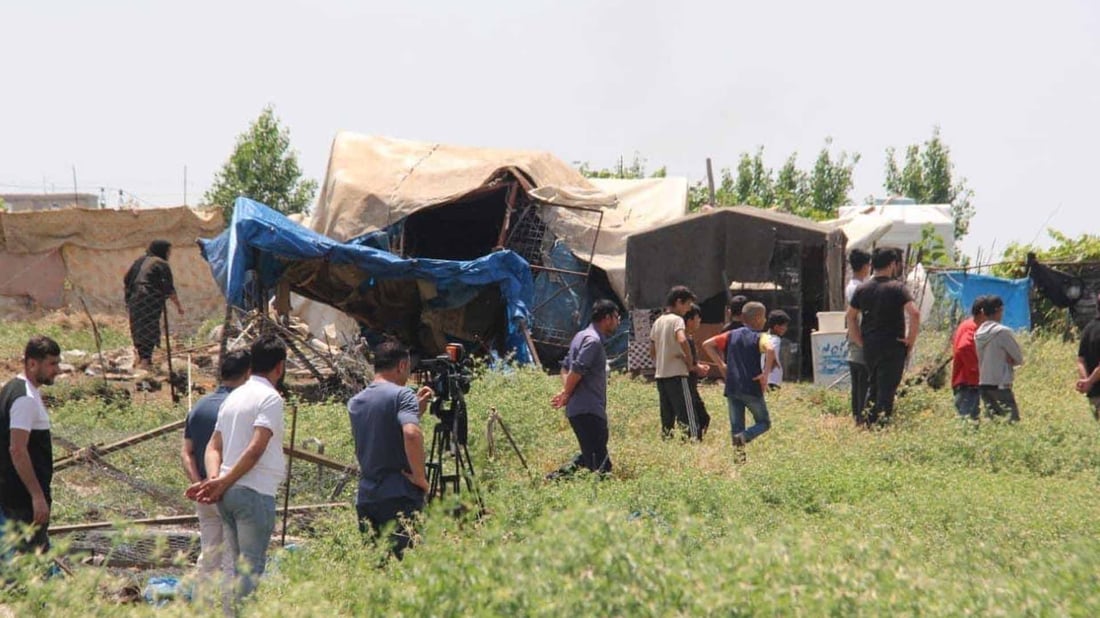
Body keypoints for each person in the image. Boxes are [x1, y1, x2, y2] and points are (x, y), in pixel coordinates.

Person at [190, 335, 287, 605]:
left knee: (234, 566)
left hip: (228, 495)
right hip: (254, 492)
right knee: (251, 568)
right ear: (280, 367)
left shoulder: (234, 397)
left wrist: (216, 480)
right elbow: (256, 448)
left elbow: (213, 446)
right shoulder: (270, 398)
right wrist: (222, 481)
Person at [347, 338, 434, 559]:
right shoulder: (402, 394)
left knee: (377, 567)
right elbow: (411, 434)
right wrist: (420, 478)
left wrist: (415, 412)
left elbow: (382, 433)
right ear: (402, 365)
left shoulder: (356, 401)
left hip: (367, 497)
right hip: (399, 495)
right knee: (406, 566)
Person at [181, 349, 251, 581]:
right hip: (232, 491)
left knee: (209, 556)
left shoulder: (200, 407)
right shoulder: (241, 407)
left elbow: (187, 453)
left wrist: (200, 484)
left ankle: (203, 607)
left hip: (205, 493)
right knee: (232, 561)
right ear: (248, 374)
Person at [0, 336, 61, 554]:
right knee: (28, 566)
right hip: (22, 500)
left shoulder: (14, 388)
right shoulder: (24, 398)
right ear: (33, 363)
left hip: (16, 496)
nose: (57, 370)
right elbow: (17, 449)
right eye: (52, 364)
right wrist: (37, 496)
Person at [846, 247, 920, 427]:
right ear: (893, 264)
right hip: (893, 346)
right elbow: (915, 313)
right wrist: (910, 340)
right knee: (887, 389)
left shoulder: (863, 288)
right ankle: (881, 426)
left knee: (874, 386)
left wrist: (858, 340)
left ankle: (868, 424)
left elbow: (851, 316)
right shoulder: (897, 288)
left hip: (870, 346)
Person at [551, 300, 621, 472]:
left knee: (589, 455)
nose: (618, 322)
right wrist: (567, 393)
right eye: (616, 318)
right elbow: (576, 369)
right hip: (589, 410)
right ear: (607, 318)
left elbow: (565, 367)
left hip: (582, 410)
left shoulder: (580, 336)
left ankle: (554, 479)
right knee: (601, 465)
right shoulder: (592, 341)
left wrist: (567, 390)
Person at [703, 302, 777, 454]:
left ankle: (739, 460)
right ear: (758, 319)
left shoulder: (731, 335)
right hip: (751, 386)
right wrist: (765, 375)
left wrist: (721, 365)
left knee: (736, 427)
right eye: (764, 317)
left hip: (732, 387)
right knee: (764, 423)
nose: (765, 321)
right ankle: (745, 436)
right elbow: (770, 349)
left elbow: (707, 344)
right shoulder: (760, 336)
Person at [123, 240, 184, 371]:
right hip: (150, 297)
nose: (169, 254)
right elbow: (169, 287)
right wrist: (178, 306)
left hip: (135, 297)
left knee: (138, 326)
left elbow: (127, 278)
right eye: (168, 252)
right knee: (150, 326)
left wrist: (129, 297)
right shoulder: (161, 263)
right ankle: (145, 361)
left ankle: (141, 358)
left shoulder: (139, 261)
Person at [649, 286, 701, 439]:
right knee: (686, 413)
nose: (688, 309)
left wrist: (664, 357)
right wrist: (690, 361)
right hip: (677, 374)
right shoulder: (677, 320)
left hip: (661, 375)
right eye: (687, 304)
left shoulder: (658, 321)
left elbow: (652, 351)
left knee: (667, 415)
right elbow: (682, 339)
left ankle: (667, 441)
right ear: (679, 302)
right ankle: (693, 441)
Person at [975, 295, 1023, 422]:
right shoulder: (1002, 332)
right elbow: (1018, 357)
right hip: (1000, 384)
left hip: (984, 383)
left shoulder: (978, 333)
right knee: (1011, 423)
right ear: (999, 311)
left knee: (993, 423)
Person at [845, 248, 873, 421]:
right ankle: (860, 418)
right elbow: (857, 316)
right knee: (862, 380)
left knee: (857, 382)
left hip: (854, 337)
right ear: (865, 266)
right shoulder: (860, 288)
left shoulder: (852, 285)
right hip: (860, 337)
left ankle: (857, 417)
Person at [951, 296, 987, 420]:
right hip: (967, 384)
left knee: (969, 422)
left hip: (966, 383)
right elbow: (964, 347)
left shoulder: (967, 324)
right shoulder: (972, 328)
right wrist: (975, 368)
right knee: (968, 424)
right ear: (983, 313)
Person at [681, 304, 711, 439]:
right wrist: (696, 368)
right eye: (698, 318)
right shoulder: (683, 339)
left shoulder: (690, 337)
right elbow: (683, 363)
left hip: (692, 383)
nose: (699, 321)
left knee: (704, 417)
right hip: (685, 382)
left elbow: (691, 361)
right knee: (693, 417)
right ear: (689, 320)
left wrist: (698, 366)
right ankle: (692, 441)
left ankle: (697, 440)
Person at [1076, 293, 1100, 421]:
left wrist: (1086, 381)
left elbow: (1080, 360)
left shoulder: (1088, 329)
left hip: (1094, 396)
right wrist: (1089, 381)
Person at [763, 310, 790, 391]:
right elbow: (770, 350)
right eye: (784, 326)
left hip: (766, 378)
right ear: (776, 327)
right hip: (773, 379)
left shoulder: (764, 337)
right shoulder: (776, 339)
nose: (786, 328)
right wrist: (772, 361)